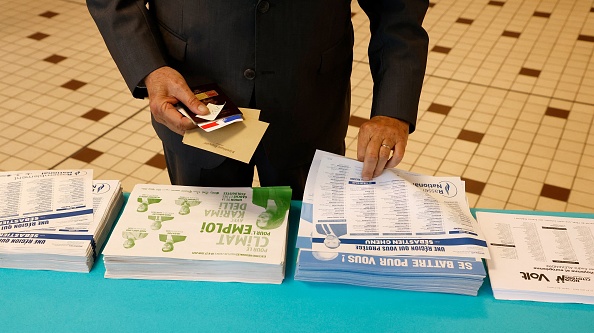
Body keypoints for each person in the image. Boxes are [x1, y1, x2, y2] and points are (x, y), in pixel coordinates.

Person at [86, 1, 429, 199]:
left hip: (309, 101)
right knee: (204, 250)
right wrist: (149, 67)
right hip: (196, 100)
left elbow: (398, 12)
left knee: (307, 247)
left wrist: (392, 109)